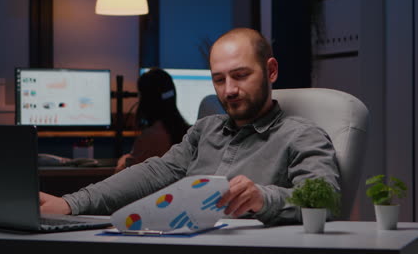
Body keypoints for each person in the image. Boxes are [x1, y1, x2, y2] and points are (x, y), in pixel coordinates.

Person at [40, 28, 340, 226]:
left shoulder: (302, 135)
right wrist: (71, 204)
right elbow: (153, 173)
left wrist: (264, 197)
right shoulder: (204, 130)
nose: (229, 90)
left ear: (271, 71)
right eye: (219, 79)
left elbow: (327, 201)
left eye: (240, 75)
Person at [115, 68, 190, 173]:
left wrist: (123, 161)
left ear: (146, 100)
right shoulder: (187, 133)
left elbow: (124, 180)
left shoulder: (150, 137)